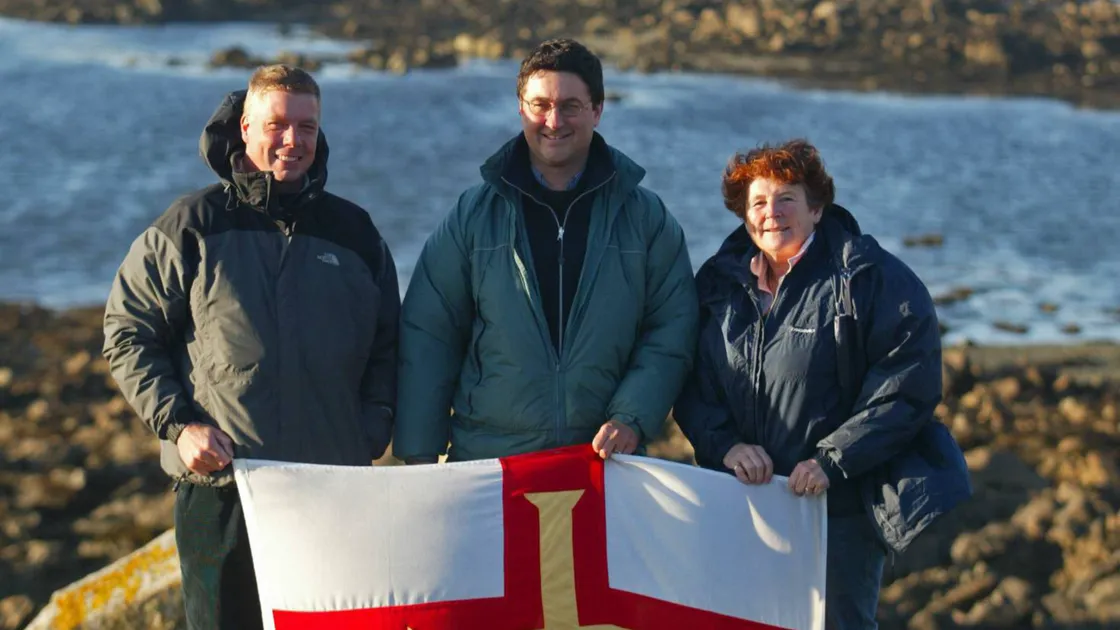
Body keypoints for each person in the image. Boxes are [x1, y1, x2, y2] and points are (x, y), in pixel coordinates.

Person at [102, 65, 400, 630]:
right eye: (278, 124)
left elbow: (389, 342)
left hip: (331, 494)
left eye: (307, 127)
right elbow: (126, 330)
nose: (293, 140)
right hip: (222, 494)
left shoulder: (357, 234)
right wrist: (179, 426)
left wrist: (374, 423)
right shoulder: (191, 226)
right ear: (245, 126)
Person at [673, 140, 970, 630]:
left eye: (786, 198)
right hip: (744, 503)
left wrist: (833, 460)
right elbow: (688, 378)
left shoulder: (868, 278)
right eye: (758, 202)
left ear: (816, 207)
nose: (772, 213)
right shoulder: (717, 284)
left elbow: (906, 381)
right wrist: (725, 445)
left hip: (838, 510)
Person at [393, 39, 697, 465]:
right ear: (521, 108)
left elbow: (672, 327)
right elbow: (430, 334)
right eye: (540, 105)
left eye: (570, 105)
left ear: (597, 109)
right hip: (491, 463)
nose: (553, 121)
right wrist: (418, 455)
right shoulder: (473, 216)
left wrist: (633, 416)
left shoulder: (646, 218)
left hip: (604, 464)